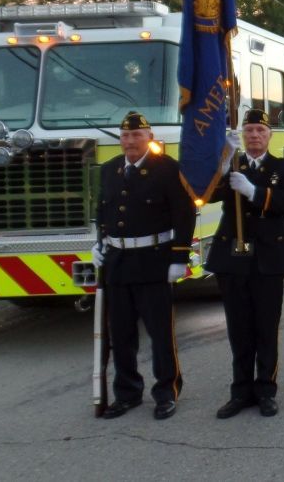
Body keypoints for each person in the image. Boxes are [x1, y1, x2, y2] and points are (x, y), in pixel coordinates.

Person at [90, 111, 195, 420]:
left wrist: (179, 257)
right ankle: (127, 393)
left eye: (137, 135)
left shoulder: (168, 169)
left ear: (149, 137)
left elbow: (184, 215)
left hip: (153, 261)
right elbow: (103, 211)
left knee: (160, 334)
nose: (130, 141)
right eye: (125, 136)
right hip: (118, 263)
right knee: (121, 335)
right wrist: (99, 242)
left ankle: (166, 391)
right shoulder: (110, 169)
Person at [207, 109, 284, 419]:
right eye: (249, 130)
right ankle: (240, 391)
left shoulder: (283, 167)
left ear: (270, 135)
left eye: (260, 130)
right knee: (238, 329)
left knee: (266, 328)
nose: (255, 136)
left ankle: (266, 390)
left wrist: (254, 192)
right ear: (243, 136)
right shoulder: (233, 165)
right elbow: (207, 195)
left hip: (269, 258)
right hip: (232, 258)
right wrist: (224, 163)